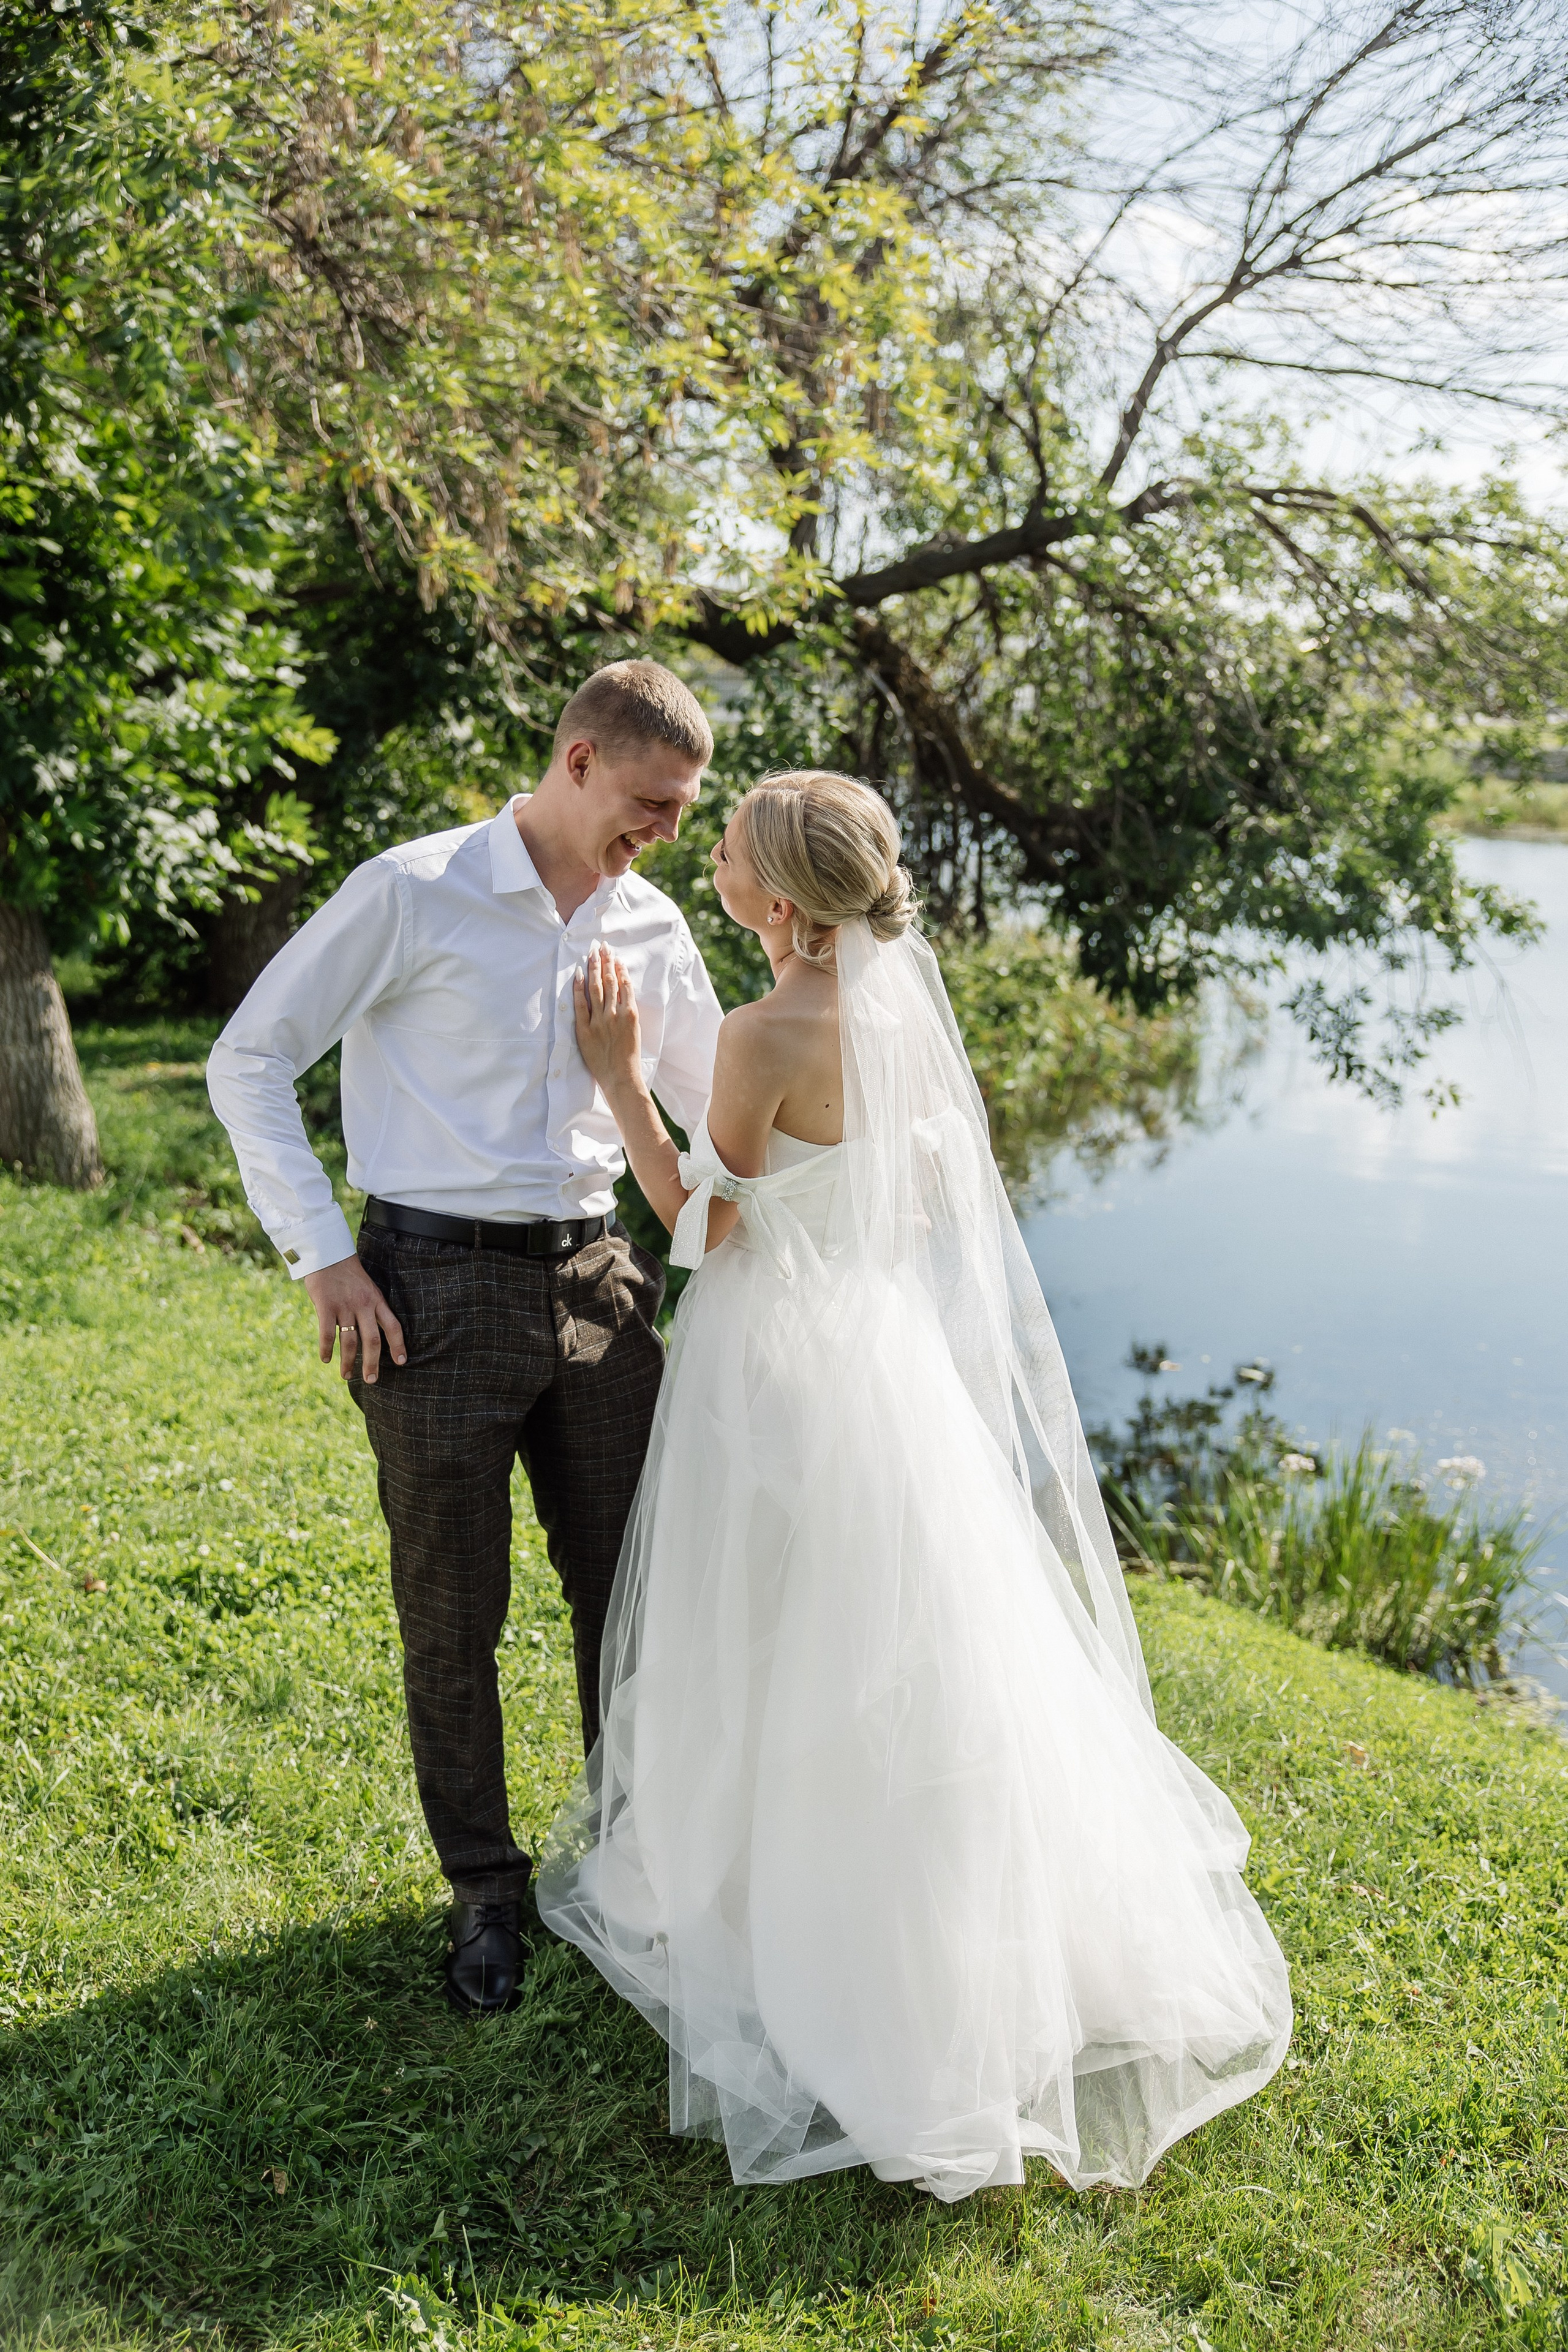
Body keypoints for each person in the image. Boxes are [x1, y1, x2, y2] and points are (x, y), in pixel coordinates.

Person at [538, 769, 1292, 2202]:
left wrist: (620, 1077)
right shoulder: (904, 1027)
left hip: (778, 1364)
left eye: (734, 848)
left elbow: (705, 1225)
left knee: (771, 1626)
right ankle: (959, 1932)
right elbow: (932, 1207)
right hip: (889, 1362)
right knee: (914, 1643)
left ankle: (784, 1924)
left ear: (772, 899)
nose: (714, 861)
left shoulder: (764, 1033)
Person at [206, 660, 725, 2015]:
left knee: (634, 1601)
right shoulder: (412, 889)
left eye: (682, 809)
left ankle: (631, 1869)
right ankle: (485, 1892)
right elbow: (250, 1058)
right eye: (650, 800)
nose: (663, 829)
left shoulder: (655, 924)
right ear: (576, 762)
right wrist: (322, 1255)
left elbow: (725, 1114)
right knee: (453, 1615)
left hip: (603, 1287)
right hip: (427, 1293)